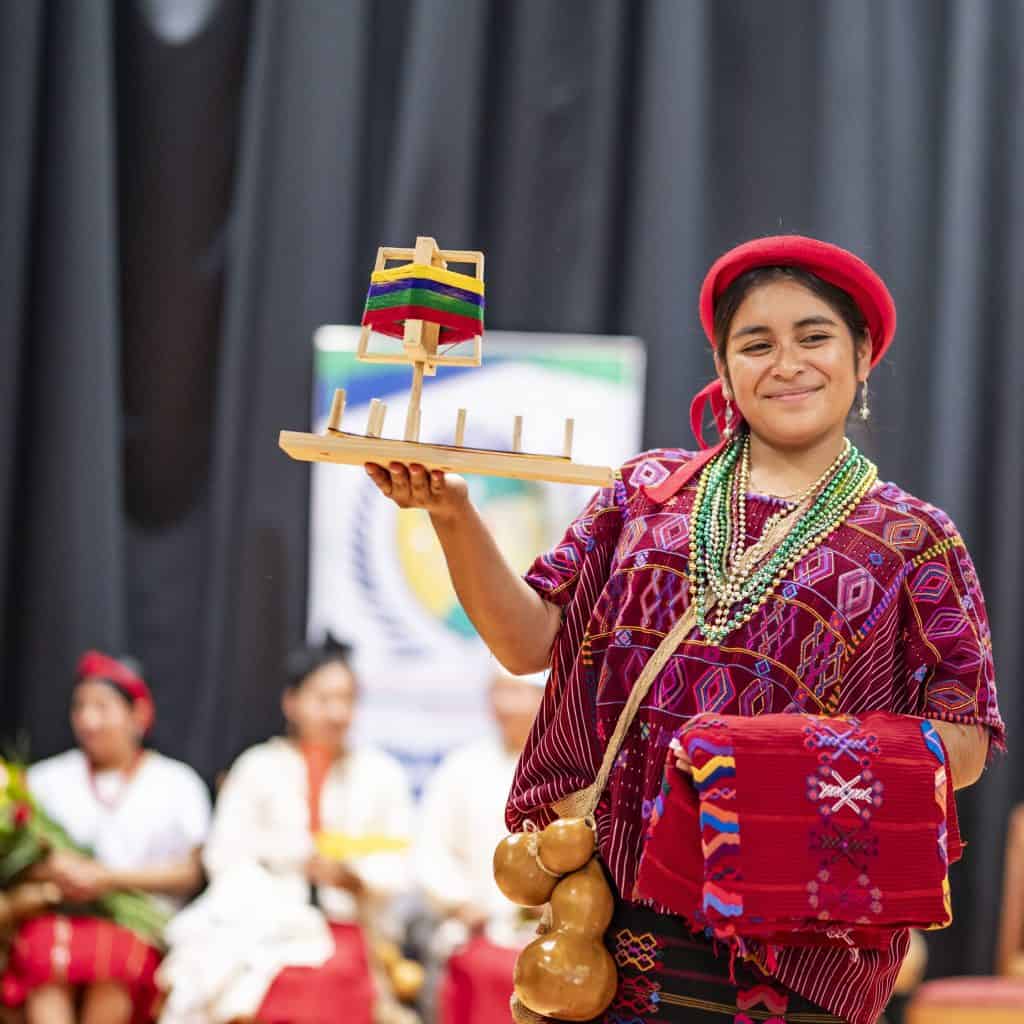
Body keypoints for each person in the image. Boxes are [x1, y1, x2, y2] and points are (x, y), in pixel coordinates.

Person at [365, 235, 1005, 1024]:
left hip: (799, 947)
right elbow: (528, 643)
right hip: (615, 925)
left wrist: (759, 764)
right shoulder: (645, 494)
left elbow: (963, 744)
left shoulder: (917, 538)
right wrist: (451, 514)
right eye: (756, 343)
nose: (787, 362)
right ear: (725, 366)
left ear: (863, 354)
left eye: (814, 337)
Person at [157, 635, 414, 1024]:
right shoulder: (258, 767)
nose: (336, 713)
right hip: (266, 920)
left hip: (351, 922)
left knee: (331, 978)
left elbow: (402, 858)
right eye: (323, 699)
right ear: (291, 703)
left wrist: (354, 877)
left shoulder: (380, 774)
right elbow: (223, 856)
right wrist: (283, 875)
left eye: (346, 700)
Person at [1, 651, 211, 1024]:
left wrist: (108, 879)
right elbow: (16, 861)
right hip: (58, 917)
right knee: (47, 956)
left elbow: (191, 871)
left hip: (138, 928)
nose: (88, 720)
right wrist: (56, 873)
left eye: (102, 707)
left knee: (112, 962)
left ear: (139, 715)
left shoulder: (177, 783)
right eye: (79, 707)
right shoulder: (46, 780)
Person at [413, 667, 545, 1024]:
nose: (506, 704)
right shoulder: (462, 767)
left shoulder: (571, 771)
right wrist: (462, 903)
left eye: (517, 692)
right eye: (498, 692)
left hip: (555, 935)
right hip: (478, 928)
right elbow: (431, 851)